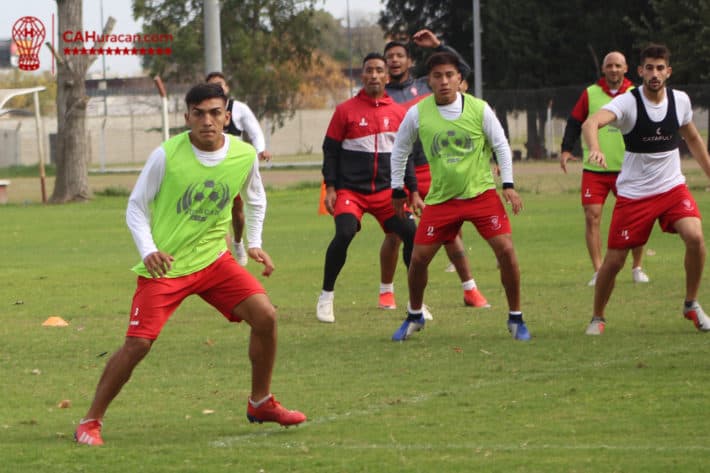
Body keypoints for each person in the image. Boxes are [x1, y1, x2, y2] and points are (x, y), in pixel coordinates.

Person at [74, 83, 305, 446]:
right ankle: (90, 421)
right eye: (198, 113)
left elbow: (255, 198)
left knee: (266, 316)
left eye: (215, 113)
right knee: (138, 345)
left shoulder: (243, 155)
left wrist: (255, 243)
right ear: (187, 118)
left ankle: (260, 402)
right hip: (166, 267)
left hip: (214, 261)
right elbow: (136, 206)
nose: (207, 121)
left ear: (228, 117)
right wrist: (149, 249)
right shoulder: (166, 155)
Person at [389, 51, 531, 341]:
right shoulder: (417, 113)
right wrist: (396, 189)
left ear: (460, 79)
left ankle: (516, 318)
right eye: (437, 76)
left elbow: (502, 146)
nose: (443, 81)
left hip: (480, 194)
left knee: (506, 251)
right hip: (441, 199)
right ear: (428, 80)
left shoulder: (479, 109)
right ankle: (415, 315)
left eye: (449, 75)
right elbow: (400, 150)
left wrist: (508, 184)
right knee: (418, 259)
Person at [581, 44, 710, 335]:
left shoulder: (680, 101)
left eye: (660, 68)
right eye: (649, 68)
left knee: (695, 237)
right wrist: (596, 148)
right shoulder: (628, 102)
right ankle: (597, 317)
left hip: (672, 188)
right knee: (614, 261)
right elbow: (592, 123)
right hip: (635, 194)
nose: (654, 73)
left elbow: (692, 137)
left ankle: (691, 303)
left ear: (668, 71)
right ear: (640, 71)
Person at [381, 29, 490, 310]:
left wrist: (440, 45)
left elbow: (461, 71)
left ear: (410, 62)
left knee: (448, 232)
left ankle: (470, 289)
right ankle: (387, 292)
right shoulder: (380, 94)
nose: (393, 61)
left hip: (432, 168)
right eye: (388, 56)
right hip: (401, 170)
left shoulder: (427, 86)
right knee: (396, 232)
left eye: (399, 55)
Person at [316, 52, 421, 323]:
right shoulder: (345, 111)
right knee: (345, 233)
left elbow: (407, 156)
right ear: (361, 76)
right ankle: (326, 297)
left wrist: (413, 191)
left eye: (378, 70)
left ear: (387, 76)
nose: (374, 75)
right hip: (352, 191)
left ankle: (416, 302)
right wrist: (330, 188)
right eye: (369, 70)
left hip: (387, 193)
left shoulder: (400, 114)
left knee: (412, 234)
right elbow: (330, 151)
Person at [561, 52, 650, 287]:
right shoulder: (590, 93)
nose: (613, 69)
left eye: (618, 65)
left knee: (637, 219)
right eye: (609, 65)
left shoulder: (636, 93)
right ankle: (599, 270)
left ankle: (637, 267)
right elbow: (575, 121)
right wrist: (566, 149)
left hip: (629, 168)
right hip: (595, 170)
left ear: (626, 68)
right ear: (603, 69)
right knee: (592, 218)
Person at [206, 71, 272, 267]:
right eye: (212, 85)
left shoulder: (239, 109)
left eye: (220, 85)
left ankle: (238, 242)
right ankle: (222, 259)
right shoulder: (203, 113)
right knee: (216, 212)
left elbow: (254, 130)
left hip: (234, 169)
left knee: (237, 210)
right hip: (212, 170)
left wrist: (260, 150)